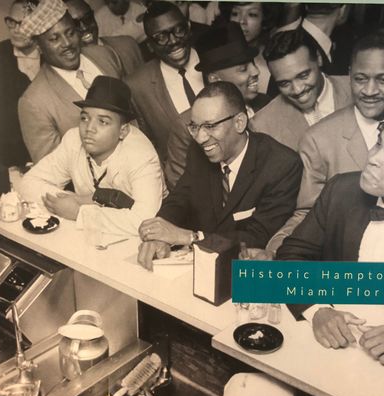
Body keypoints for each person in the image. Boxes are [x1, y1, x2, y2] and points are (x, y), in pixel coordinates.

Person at [137, 81, 302, 271]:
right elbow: (180, 199)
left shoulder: (281, 165)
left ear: (239, 122)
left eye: (210, 126)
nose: (200, 138)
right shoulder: (198, 152)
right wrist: (159, 234)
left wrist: (190, 237)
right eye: (194, 127)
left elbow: (258, 237)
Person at [261, 32, 384, 257]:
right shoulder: (318, 139)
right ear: (351, 75)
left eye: (382, 79)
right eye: (360, 79)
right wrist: (275, 251)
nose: (370, 90)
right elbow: (309, 214)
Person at [277, 133, 384, 357]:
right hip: (330, 346)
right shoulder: (342, 190)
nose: (374, 158)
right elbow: (290, 256)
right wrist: (316, 309)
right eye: (379, 143)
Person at [19, 76, 166, 236]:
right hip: (94, 233)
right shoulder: (73, 139)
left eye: (103, 122)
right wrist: (73, 201)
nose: (89, 128)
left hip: (143, 240)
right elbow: (28, 183)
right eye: (84, 118)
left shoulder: (141, 155)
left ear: (122, 131)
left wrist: (79, 211)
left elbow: (145, 221)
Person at [18, 0, 122, 163]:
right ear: (38, 47)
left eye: (70, 33)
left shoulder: (105, 55)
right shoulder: (33, 102)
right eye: (54, 39)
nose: (67, 43)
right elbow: (53, 168)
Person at [125, 1, 204, 189]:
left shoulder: (216, 58)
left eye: (179, 30)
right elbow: (148, 147)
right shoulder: (136, 86)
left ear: (189, 28)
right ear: (150, 46)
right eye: (161, 37)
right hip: (185, 187)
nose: (174, 40)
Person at [250, 28, 351, 151]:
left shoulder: (358, 91)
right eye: (284, 83)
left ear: (319, 58)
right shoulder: (263, 126)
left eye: (303, 76)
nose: (297, 90)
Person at [0, 0, 39, 166]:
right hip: (16, 149)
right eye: (12, 22)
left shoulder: (51, 52)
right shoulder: (1, 53)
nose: (16, 30)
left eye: (23, 23)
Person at [194, 22, 271, 119]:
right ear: (215, 79)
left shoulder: (267, 104)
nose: (256, 71)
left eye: (253, 63)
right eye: (243, 69)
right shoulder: (200, 120)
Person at [65, 0, 144, 76]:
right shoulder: (71, 73)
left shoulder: (128, 46)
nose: (84, 27)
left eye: (87, 19)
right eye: (75, 24)